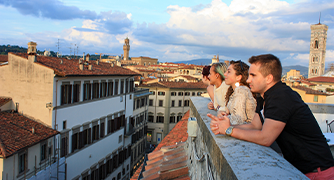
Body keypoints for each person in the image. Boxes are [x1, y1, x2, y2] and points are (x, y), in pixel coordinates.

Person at [209, 54, 334, 179]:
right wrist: (227, 125)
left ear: (268, 78)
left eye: (253, 76)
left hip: (319, 172)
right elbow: (255, 125)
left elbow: (266, 138)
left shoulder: (281, 96)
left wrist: (229, 130)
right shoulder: (263, 96)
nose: (248, 80)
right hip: (302, 169)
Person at [219, 60, 256, 125]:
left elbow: (239, 120)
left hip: (247, 131)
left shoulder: (241, 90)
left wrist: (223, 117)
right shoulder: (237, 90)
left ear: (238, 77)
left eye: (229, 72)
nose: (225, 74)